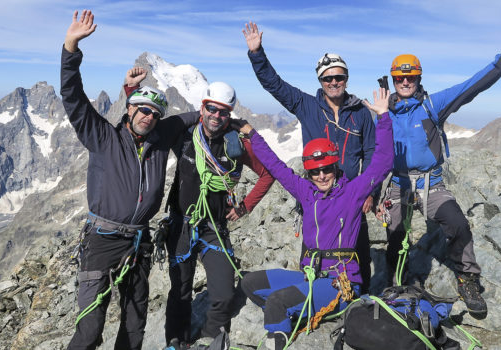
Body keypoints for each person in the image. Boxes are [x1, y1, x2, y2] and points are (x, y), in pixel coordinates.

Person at [61, 10, 199, 350]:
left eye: (155, 113)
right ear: (130, 108)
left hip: (139, 242)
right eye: (142, 109)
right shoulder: (102, 137)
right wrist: (70, 48)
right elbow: (73, 99)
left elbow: (191, 117)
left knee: (135, 322)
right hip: (101, 241)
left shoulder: (160, 135)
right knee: (91, 327)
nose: (149, 117)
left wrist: (224, 116)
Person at [378, 30, 501, 319]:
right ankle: (396, 282)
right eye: (400, 78)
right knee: (395, 236)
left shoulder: (432, 105)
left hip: (431, 184)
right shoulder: (384, 112)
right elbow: (372, 154)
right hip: (398, 185)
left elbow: (469, 87)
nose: (405, 82)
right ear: (393, 81)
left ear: (419, 79)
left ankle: (468, 280)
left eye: (410, 77)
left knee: (458, 223)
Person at [238, 88, 393, 350]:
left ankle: (281, 332)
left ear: (335, 167)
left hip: (339, 284)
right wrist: (252, 134)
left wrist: (384, 117)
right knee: (250, 283)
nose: (321, 176)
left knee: (277, 301)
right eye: (314, 172)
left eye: (326, 170)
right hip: (309, 276)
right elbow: (276, 166)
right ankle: (295, 312)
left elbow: (384, 161)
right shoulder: (305, 192)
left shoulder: (353, 192)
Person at [125, 81, 275, 347]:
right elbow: (150, 129)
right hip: (180, 225)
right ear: (202, 108)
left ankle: (209, 338)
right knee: (180, 292)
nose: (216, 116)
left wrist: (245, 206)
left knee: (224, 293)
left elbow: (268, 172)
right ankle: (176, 341)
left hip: (214, 227)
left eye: (223, 112)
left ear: (230, 115)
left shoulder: (236, 145)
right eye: (211, 109)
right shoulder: (184, 136)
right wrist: (131, 95)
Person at [243, 22, 377, 293]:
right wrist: (257, 54)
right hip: (317, 197)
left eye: (338, 77)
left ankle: (360, 304)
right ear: (320, 82)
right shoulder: (307, 106)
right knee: (314, 254)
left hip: (351, 195)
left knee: (358, 254)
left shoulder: (361, 113)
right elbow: (275, 85)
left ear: (346, 78)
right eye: (328, 78)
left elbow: (372, 153)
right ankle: (312, 301)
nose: (334, 82)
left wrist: (371, 191)